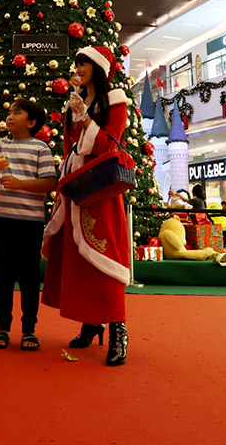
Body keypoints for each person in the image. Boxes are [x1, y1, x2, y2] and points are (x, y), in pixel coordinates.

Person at [42, 45, 133, 367]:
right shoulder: (74, 104)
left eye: (84, 64)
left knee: (105, 256)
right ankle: (90, 321)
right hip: (75, 188)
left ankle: (118, 327)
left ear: (98, 68)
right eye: (76, 63)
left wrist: (86, 121)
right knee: (79, 258)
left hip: (101, 191)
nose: (77, 68)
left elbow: (111, 144)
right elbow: (69, 148)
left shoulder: (116, 102)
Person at [0, 98, 56, 351]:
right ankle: (3, 327)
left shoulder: (40, 148)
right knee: (4, 275)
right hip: (5, 221)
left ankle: (29, 329)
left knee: (29, 276)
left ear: (31, 123)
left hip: (30, 223)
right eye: (9, 112)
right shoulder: (1, 146)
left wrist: (21, 184)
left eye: (16, 113)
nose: (9, 116)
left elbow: (50, 183)